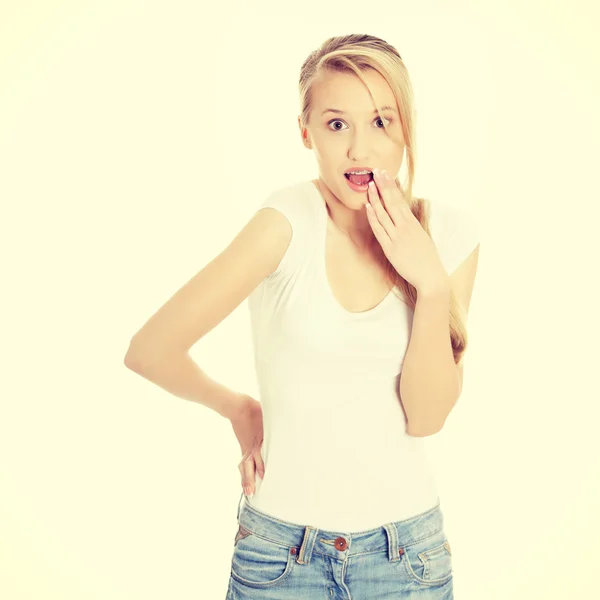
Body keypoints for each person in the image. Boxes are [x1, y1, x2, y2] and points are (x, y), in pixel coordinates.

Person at [125, 33, 480, 599]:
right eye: (337, 124)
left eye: (382, 121)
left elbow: (427, 418)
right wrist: (239, 409)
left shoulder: (450, 234)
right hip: (281, 560)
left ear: (406, 128)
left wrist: (432, 287)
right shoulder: (286, 222)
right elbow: (150, 349)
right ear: (305, 131)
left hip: (407, 559)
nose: (360, 149)